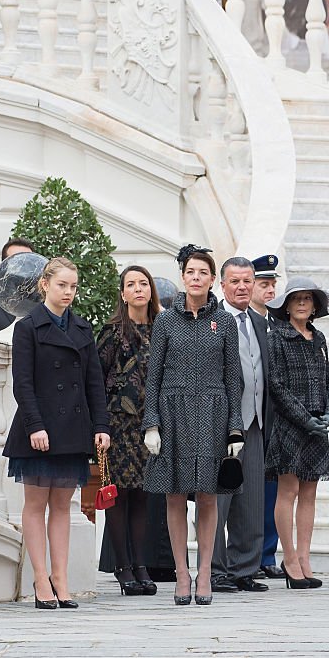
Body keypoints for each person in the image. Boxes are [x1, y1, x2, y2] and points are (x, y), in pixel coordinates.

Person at [3, 257, 110, 609]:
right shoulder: (28, 327)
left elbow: (95, 382)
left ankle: (61, 578)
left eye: (73, 286)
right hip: (39, 428)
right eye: (62, 285)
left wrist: (101, 426)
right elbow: (23, 382)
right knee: (35, 506)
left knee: (63, 506)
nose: (68, 292)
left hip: (72, 429)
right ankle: (39, 578)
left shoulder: (82, 328)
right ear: (44, 285)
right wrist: (35, 425)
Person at [142, 245, 244, 606]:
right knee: (173, 496)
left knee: (207, 496)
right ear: (183, 278)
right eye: (190, 272)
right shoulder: (166, 320)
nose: (197, 278)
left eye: (203, 272)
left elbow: (234, 380)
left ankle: (205, 575)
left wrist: (235, 429)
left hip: (214, 414)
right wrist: (151, 424)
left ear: (212, 279)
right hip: (172, 413)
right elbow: (152, 378)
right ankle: (181, 574)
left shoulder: (226, 322)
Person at [264, 277, 329, 589]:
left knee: (310, 492)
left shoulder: (318, 338)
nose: (303, 303)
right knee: (288, 491)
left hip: (318, 425)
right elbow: (276, 386)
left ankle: (305, 558)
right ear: (287, 305)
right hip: (290, 425)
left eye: (308, 299)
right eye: (297, 299)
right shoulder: (276, 338)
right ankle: (290, 557)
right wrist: (305, 418)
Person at [206, 257, 270, 593]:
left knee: (252, 499)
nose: (242, 287)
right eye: (235, 281)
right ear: (222, 284)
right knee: (219, 500)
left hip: (256, 422)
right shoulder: (213, 322)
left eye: (248, 281)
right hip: (220, 425)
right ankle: (216, 569)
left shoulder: (260, 322)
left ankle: (245, 567)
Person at [96, 266, 162, 596]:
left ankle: (141, 565)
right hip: (118, 425)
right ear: (122, 293)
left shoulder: (162, 329)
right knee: (119, 496)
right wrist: (100, 426)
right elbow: (97, 379)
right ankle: (123, 567)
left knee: (143, 497)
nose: (138, 289)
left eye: (143, 283)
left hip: (151, 425)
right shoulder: (112, 332)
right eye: (131, 284)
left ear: (151, 290)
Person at [250, 254, 285, 581]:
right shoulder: (240, 322)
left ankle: (267, 554)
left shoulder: (279, 325)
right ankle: (248, 553)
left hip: (275, 418)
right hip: (249, 418)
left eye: (273, 283)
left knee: (272, 490)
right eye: (264, 284)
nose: (270, 289)